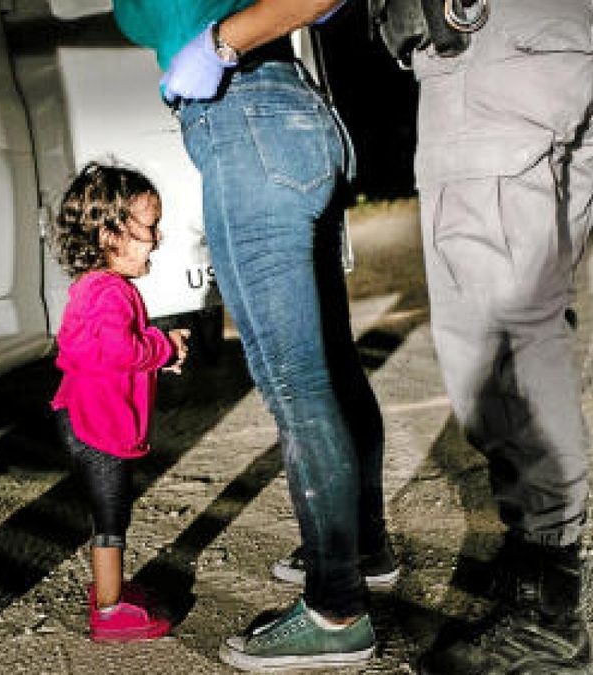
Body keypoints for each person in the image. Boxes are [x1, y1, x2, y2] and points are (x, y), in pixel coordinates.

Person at [112, 1, 397, 670]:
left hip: (245, 124)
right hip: (293, 114)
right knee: (329, 366)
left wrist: (216, 46)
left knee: (296, 384)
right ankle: (362, 547)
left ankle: (336, 609)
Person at [365, 0, 593, 672]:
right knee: (534, 321)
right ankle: (542, 569)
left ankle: (547, 621)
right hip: (574, 37)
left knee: (498, 343)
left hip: (496, 45)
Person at [49, 162, 190, 643]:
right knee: (112, 517)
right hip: (98, 427)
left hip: (80, 418)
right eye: (149, 228)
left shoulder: (94, 289)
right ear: (111, 234)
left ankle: (109, 590)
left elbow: (100, 350)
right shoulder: (112, 293)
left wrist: (155, 349)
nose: (157, 239)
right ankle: (109, 610)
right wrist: (163, 347)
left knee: (106, 512)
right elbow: (118, 350)